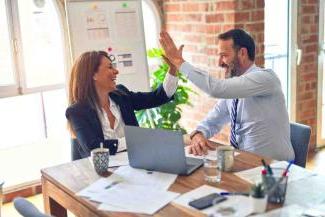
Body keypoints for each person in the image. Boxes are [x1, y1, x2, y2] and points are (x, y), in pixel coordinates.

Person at [159, 29, 295, 161]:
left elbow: (215, 88)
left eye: (224, 55)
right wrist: (198, 134)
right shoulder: (234, 90)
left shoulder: (265, 78)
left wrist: (178, 61)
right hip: (245, 163)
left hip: (276, 168)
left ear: (242, 53)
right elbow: (213, 120)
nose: (220, 63)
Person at [66, 51, 178, 160]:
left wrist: (173, 69)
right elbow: (94, 148)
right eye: (110, 67)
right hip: (101, 173)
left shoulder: (121, 95)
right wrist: (133, 140)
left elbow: (158, 97)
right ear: (93, 75)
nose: (116, 71)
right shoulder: (77, 112)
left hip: (135, 165)